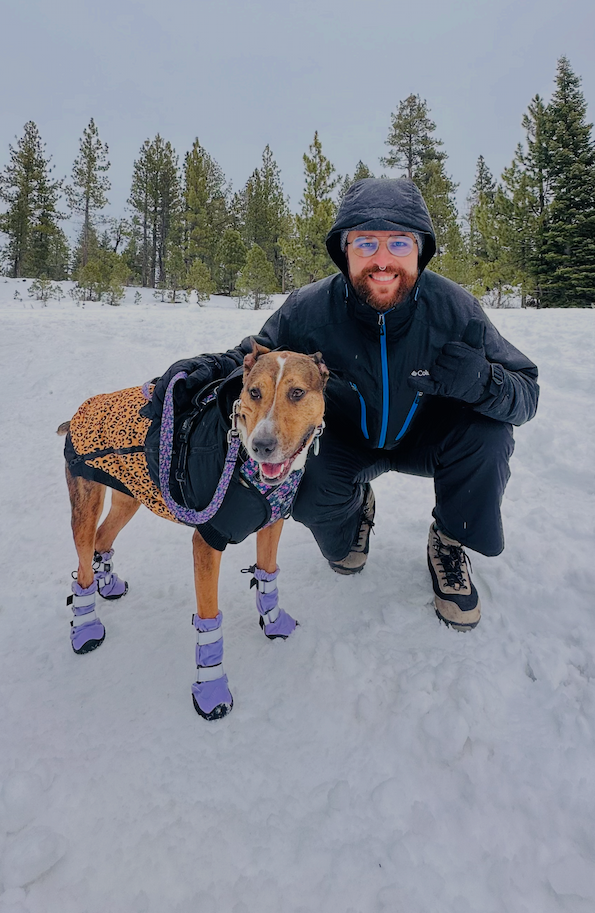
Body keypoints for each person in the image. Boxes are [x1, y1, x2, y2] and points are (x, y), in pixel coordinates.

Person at [151, 177, 539, 629]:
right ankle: (354, 510)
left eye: (399, 242)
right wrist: (209, 370)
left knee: (489, 434)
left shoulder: (455, 309)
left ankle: (450, 540)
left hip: (426, 437)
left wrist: (483, 380)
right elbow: (256, 357)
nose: (382, 260)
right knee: (314, 505)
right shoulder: (309, 309)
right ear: (345, 251)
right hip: (347, 437)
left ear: (420, 250)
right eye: (366, 243)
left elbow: (526, 392)